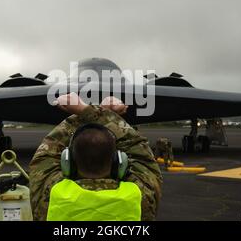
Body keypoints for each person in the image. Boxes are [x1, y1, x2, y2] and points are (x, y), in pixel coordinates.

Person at [29, 93, 162, 221]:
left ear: (67, 161)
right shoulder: (141, 195)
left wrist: (83, 112)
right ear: (119, 162)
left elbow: (49, 148)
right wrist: (94, 111)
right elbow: (137, 146)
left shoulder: (49, 192)